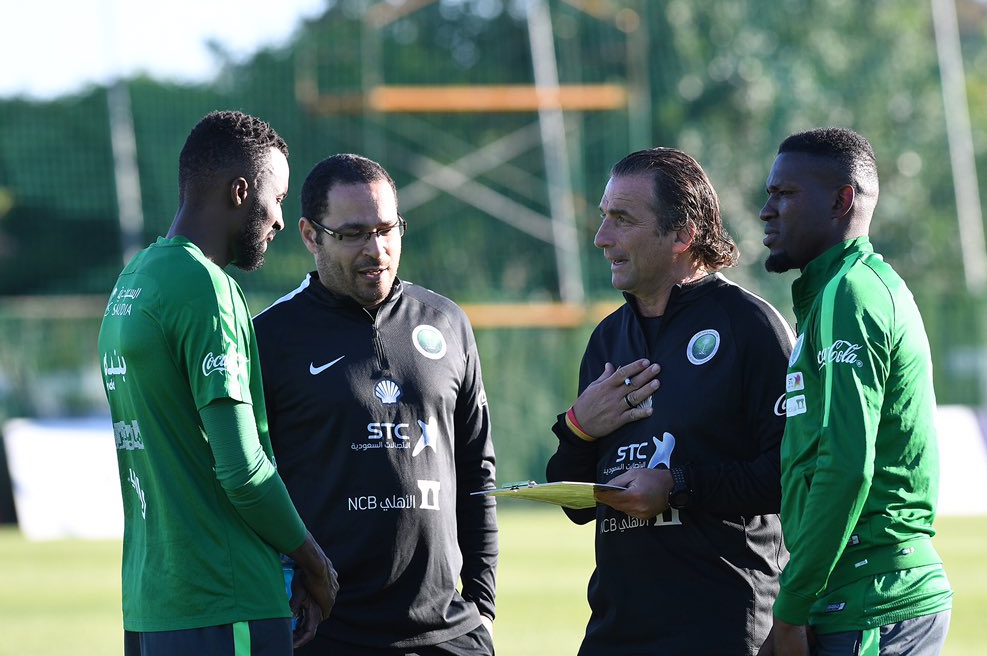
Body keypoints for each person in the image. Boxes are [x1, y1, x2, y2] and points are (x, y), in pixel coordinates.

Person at [98, 111, 339, 655]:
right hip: (224, 603)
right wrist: (313, 562)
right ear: (240, 192)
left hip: (151, 602)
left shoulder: (133, 281)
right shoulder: (209, 289)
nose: (280, 220)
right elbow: (242, 469)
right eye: (276, 200)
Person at [546, 147, 793, 655]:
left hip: (721, 627)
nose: (601, 238)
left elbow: (790, 476)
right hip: (617, 629)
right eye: (603, 218)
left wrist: (678, 485)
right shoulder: (607, 340)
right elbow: (576, 505)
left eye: (622, 219)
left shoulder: (750, 327)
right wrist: (577, 428)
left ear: (682, 234)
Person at [254, 153, 498, 656]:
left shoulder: (447, 323)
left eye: (388, 229)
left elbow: (477, 472)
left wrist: (483, 608)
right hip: (328, 637)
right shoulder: (270, 339)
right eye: (353, 234)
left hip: (450, 636)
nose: (377, 249)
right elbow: (250, 488)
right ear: (309, 234)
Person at [756, 127, 953, 656]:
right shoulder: (834, 293)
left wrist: (791, 606)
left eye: (785, 194)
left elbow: (848, 465)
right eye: (770, 193)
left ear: (842, 200)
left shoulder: (851, 295)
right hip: (850, 593)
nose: (766, 210)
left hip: (871, 600)